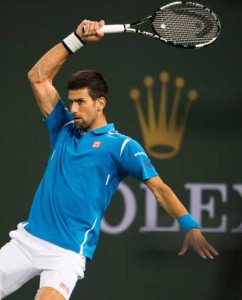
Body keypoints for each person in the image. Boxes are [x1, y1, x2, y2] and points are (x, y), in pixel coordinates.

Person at [0, 19, 218, 300]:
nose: (73, 109)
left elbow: (159, 189)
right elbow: (38, 77)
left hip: (66, 254)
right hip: (26, 243)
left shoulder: (122, 146)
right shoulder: (62, 128)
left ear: (100, 103)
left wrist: (189, 223)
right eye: (71, 102)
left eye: (81, 102)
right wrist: (75, 39)